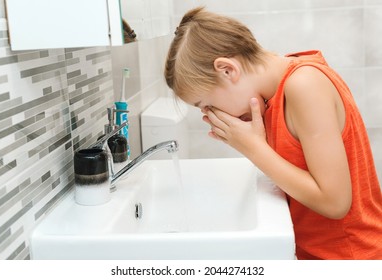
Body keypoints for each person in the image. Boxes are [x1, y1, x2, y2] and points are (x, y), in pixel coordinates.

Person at [164, 7, 382, 260]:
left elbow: (335, 202)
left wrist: (254, 148)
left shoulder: (304, 84)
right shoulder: (275, 94)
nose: (210, 114)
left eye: (205, 104)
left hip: (352, 258)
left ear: (227, 70)